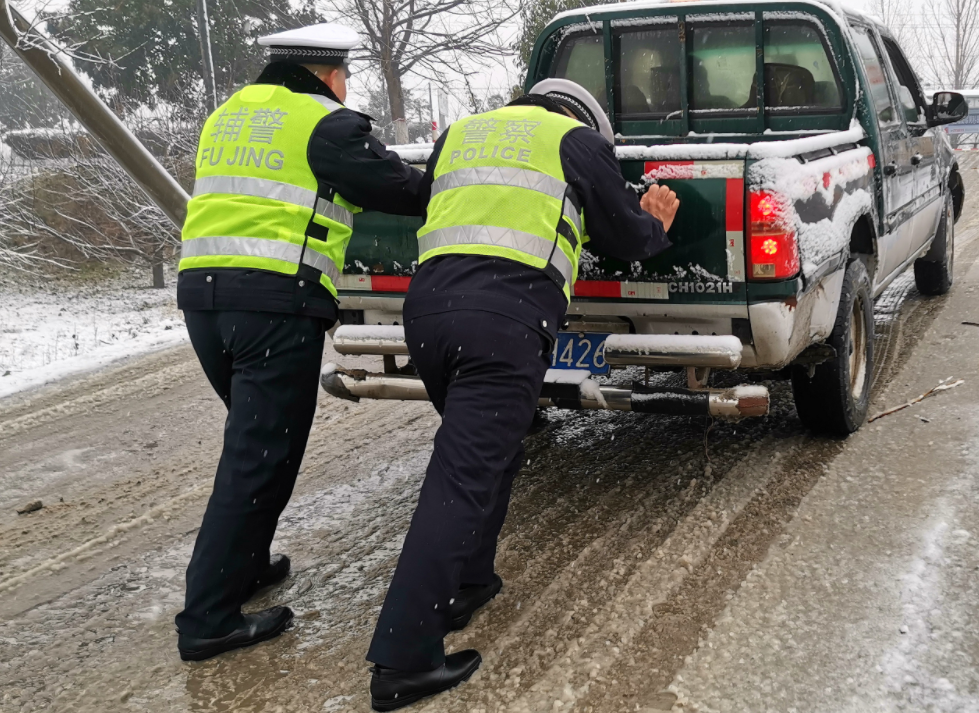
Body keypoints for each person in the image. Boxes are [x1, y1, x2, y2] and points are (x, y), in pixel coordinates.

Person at [364, 78, 680, 710]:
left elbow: (431, 203)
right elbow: (624, 239)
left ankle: (467, 583)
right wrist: (657, 221)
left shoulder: (461, 134)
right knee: (461, 476)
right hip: (502, 321)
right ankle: (403, 658)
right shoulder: (576, 142)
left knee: (488, 455)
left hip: (427, 314)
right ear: (583, 119)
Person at [174, 23, 423, 662]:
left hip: (205, 300)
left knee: (255, 444)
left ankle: (245, 565)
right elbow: (398, 188)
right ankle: (208, 618)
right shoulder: (324, 122)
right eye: (344, 77)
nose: (346, 88)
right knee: (260, 457)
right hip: (272, 306)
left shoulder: (228, 116)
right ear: (328, 74)